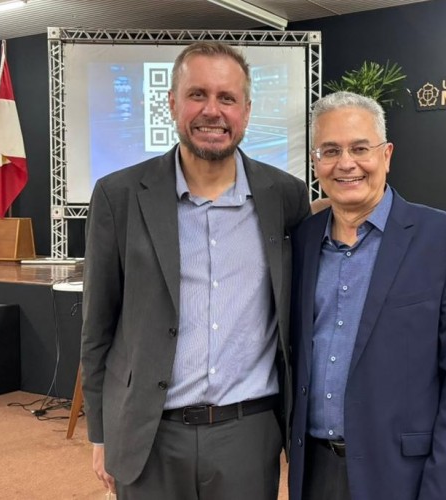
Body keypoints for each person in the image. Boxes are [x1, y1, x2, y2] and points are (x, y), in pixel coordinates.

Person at [80, 41, 310, 499]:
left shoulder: (286, 197)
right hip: (150, 433)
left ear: (246, 110)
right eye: (197, 94)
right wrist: (101, 433)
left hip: (248, 434)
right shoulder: (118, 195)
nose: (212, 111)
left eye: (227, 98)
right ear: (171, 103)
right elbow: (98, 327)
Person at [288, 91, 446, 500]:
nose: (346, 163)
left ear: (386, 155)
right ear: (315, 162)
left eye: (360, 148)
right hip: (315, 474)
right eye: (331, 151)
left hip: (405, 477)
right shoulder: (302, 241)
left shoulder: (445, 241)